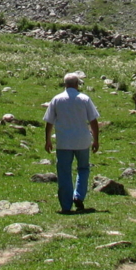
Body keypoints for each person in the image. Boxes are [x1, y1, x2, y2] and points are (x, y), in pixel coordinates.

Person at [43, 71, 100, 213]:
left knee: (64, 172)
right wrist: (96, 140)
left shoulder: (56, 99)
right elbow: (93, 121)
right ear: (77, 84)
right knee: (83, 168)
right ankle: (79, 195)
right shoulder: (84, 99)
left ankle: (66, 205)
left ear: (65, 84)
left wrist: (48, 140)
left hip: (63, 141)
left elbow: (49, 121)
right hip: (82, 140)